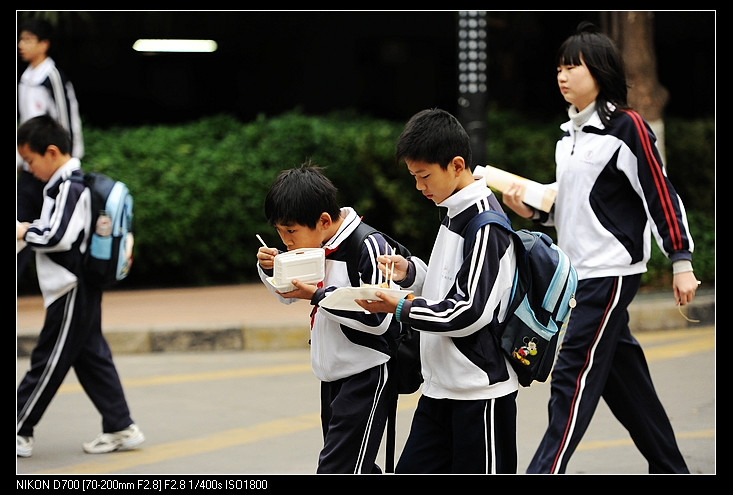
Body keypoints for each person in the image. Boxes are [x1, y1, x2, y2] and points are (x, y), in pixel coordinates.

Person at [501, 22, 697, 474]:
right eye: (559, 67)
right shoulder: (568, 138)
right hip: (580, 274)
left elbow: (660, 194)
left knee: (571, 375)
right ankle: (671, 468)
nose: (562, 75)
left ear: (600, 72)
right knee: (624, 380)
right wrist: (530, 210)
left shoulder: (626, 127)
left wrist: (681, 259)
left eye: (573, 66)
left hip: (608, 274)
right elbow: (572, 209)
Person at [354, 108, 519, 474]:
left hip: (479, 395)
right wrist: (411, 272)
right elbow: (448, 283)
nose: (419, 187)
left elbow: (468, 311)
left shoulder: (485, 224)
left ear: (456, 165)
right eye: (414, 177)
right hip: (440, 389)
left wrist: (401, 306)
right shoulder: (453, 210)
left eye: (424, 176)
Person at [256, 162, 406, 474]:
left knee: (338, 469)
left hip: (366, 372)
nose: (286, 242)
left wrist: (318, 297)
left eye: (291, 231)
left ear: (324, 221)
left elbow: (379, 318)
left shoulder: (368, 244)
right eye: (280, 233)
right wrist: (272, 269)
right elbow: (288, 295)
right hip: (331, 376)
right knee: (354, 467)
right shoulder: (316, 244)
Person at [16, 115, 144, 458]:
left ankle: (19, 427)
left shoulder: (68, 186)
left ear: (52, 152)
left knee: (49, 358)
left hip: (70, 286)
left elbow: (58, 235)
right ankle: (121, 427)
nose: (29, 170)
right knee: (91, 357)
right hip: (78, 286)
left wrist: (22, 230)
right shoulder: (70, 184)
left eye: (30, 161)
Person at [17, 17, 84, 282]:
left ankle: (69, 278)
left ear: (44, 44)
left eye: (28, 40)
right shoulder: (26, 76)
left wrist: (67, 164)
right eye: (21, 39)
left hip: (52, 166)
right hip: (32, 165)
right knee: (23, 221)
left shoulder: (52, 76)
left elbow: (63, 124)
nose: (21, 45)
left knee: (52, 226)